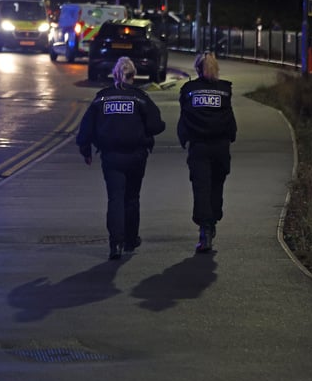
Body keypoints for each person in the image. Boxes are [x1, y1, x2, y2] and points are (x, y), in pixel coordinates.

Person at [77, 57, 166, 260]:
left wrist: (86, 150)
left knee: (115, 197)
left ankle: (115, 243)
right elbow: (156, 125)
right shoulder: (140, 98)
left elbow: (86, 128)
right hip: (136, 155)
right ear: (133, 76)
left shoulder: (102, 98)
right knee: (132, 198)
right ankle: (130, 239)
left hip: (111, 156)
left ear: (115, 74)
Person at [177, 51, 238, 253]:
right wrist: (231, 135)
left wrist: (183, 138)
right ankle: (212, 222)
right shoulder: (225, 90)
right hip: (220, 147)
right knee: (216, 186)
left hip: (199, 147)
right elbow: (229, 118)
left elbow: (184, 117)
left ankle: (205, 230)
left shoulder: (188, 90)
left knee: (201, 188)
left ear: (197, 69)